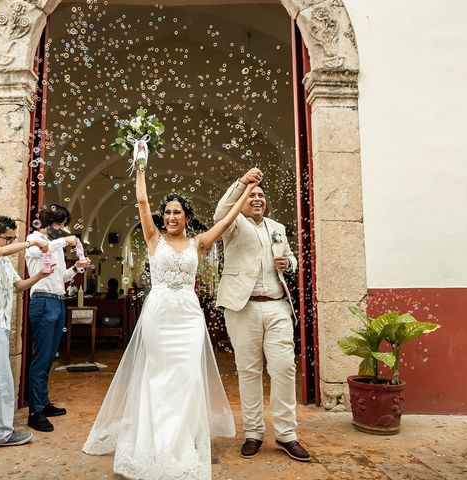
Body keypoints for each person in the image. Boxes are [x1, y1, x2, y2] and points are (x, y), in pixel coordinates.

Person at [83, 143, 257, 480]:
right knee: (157, 376)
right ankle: (155, 440)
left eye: (178, 212)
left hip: (189, 318)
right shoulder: (153, 239)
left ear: (187, 218)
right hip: (159, 315)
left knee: (189, 375)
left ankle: (183, 438)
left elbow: (229, 220)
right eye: (168, 212)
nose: (171, 217)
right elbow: (143, 202)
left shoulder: (199, 243)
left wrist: (246, 189)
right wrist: (141, 165)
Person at [213, 168, 311, 462]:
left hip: (277, 304)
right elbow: (221, 211)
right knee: (249, 370)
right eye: (251, 195)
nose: (257, 198)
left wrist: (288, 264)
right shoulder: (232, 224)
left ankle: (286, 434)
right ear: (242, 200)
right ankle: (253, 433)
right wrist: (243, 181)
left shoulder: (277, 227)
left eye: (260, 195)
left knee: (284, 367)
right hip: (242, 307)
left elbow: (292, 258)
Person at [0, 216, 52, 447]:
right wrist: (31, 243)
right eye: (8, 239)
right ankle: (4, 433)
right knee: (4, 380)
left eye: (13, 238)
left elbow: (18, 287)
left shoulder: (5, 262)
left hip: (0, 323)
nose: (11, 243)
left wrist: (39, 276)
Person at [25, 204, 91, 432]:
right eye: (59, 224)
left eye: (63, 225)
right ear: (48, 223)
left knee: (51, 356)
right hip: (43, 300)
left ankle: (44, 402)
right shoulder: (33, 239)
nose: (62, 229)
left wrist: (76, 268)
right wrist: (65, 241)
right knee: (41, 356)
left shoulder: (56, 246)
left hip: (58, 300)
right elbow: (39, 251)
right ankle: (35, 411)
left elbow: (61, 277)